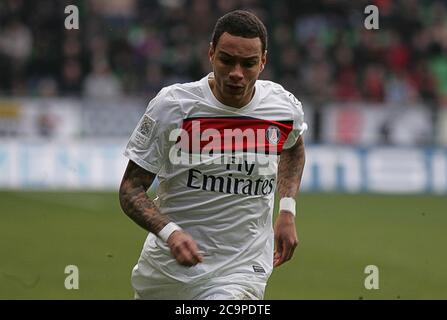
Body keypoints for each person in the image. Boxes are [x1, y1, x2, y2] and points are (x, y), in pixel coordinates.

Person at [119, 10, 307, 300]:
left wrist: (287, 210)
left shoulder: (282, 108)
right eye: (227, 60)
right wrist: (171, 233)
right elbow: (131, 189)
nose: (236, 73)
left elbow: (293, 146)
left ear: (263, 62)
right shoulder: (173, 107)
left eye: (248, 64)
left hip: (241, 270)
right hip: (167, 273)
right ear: (211, 54)